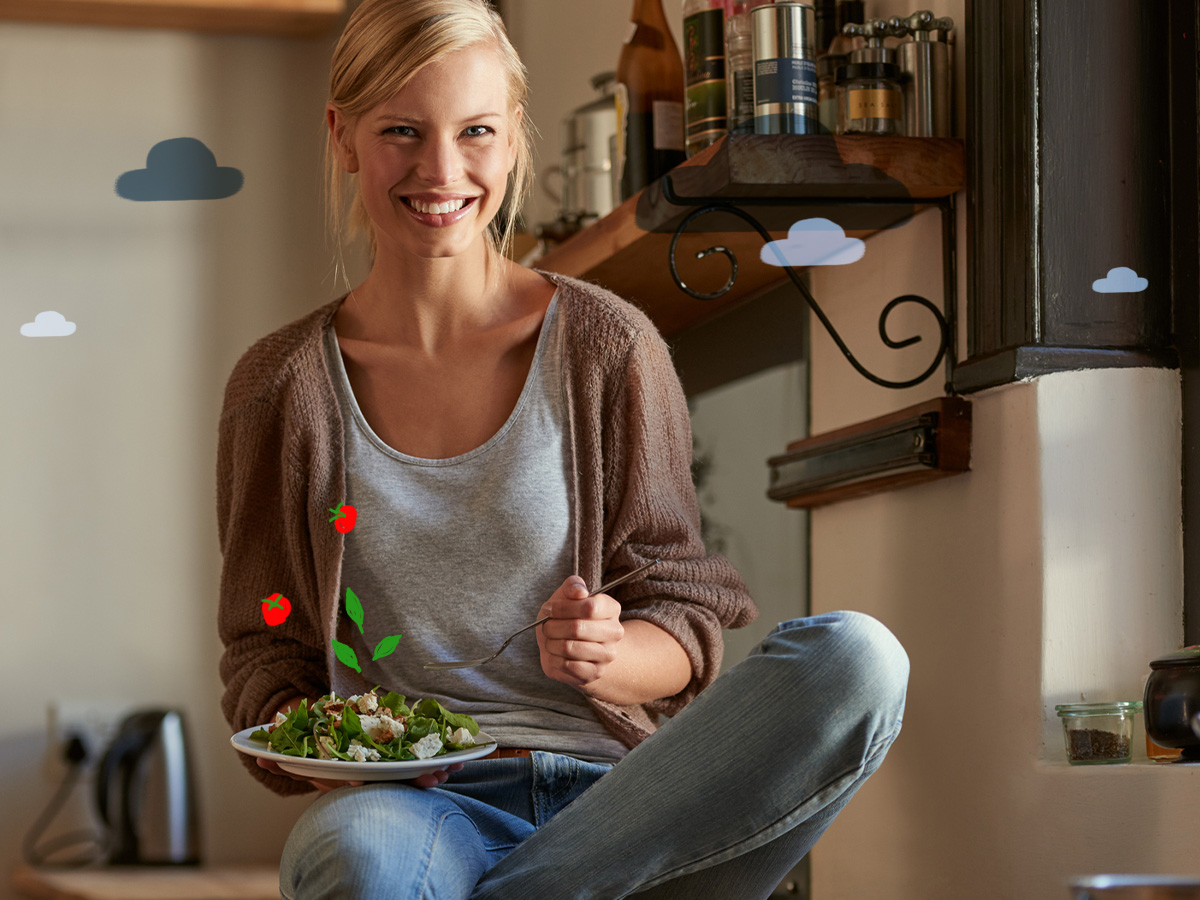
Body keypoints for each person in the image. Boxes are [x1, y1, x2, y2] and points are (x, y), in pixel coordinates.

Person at [215, 1, 909, 897]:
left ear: (512, 139)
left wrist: (613, 656)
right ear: (343, 136)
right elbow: (266, 647)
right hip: (414, 807)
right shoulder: (278, 388)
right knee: (359, 854)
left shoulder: (610, 347)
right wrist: (326, 742)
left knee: (856, 659)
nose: (442, 169)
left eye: (475, 131)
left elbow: (682, 619)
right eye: (401, 131)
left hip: (629, 803)